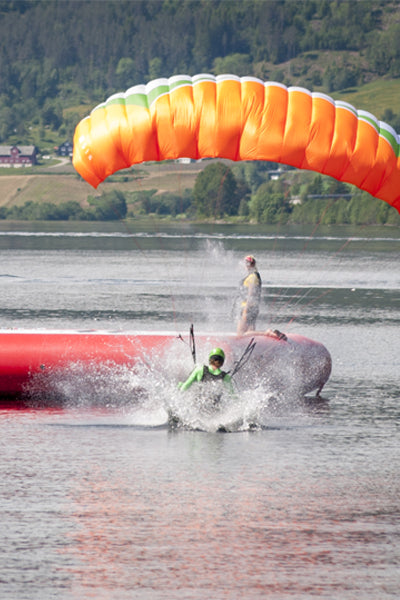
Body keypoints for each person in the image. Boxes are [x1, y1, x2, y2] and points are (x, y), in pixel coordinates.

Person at [237, 255, 262, 335]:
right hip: (252, 307)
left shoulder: (253, 277)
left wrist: (245, 310)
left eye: (246, 263)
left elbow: (251, 294)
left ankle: (266, 333)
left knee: (240, 332)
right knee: (250, 329)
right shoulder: (253, 276)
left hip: (248, 307)